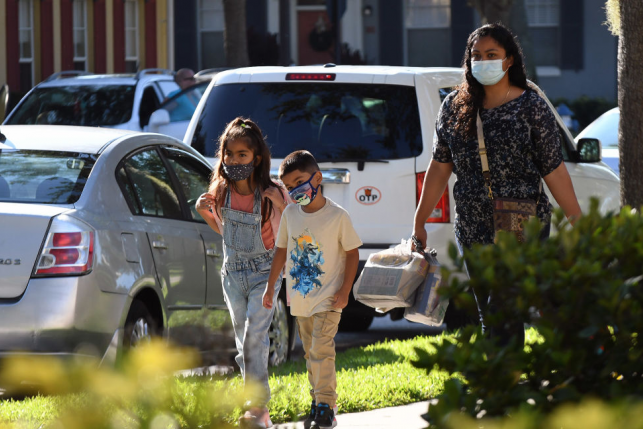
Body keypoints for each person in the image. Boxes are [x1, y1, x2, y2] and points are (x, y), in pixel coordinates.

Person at [412, 23, 582, 347]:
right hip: (472, 223)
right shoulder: (453, 107)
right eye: (476, 55)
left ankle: (504, 378)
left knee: (504, 304)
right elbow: (439, 167)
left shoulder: (531, 106)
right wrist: (419, 221)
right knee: (489, 309)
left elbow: (554, 170)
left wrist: (577, 220)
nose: (483, 61)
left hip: (522, 219)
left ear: (509, 61)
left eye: (492, 55)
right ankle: (506, 383)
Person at [195, 117, 289, 428]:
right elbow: (223, 231)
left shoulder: (271, 192)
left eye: (242, 155)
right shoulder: (221, 190)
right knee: (242, 340)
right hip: (232, 273)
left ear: (257, 158)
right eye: (229, 155)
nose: (234, 161)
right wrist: (203, 211)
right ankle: (258, 409)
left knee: (254, 337)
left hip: (265, 271)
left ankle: (256, 406)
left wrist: (282, 205)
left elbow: (290, 232)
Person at [262, 150, 362, 429]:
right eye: (290, 186)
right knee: (310, 353)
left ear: (317, 177)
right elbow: (281, 251)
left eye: (300, 181)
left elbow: (352, 253)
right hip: (301, 300)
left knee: (321, 350)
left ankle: (326, 405)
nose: (296, 190)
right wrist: (271, 286)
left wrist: (345, 290)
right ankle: (317, 400)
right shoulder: (291, 214)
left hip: (329, 299)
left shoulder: (337, 216)